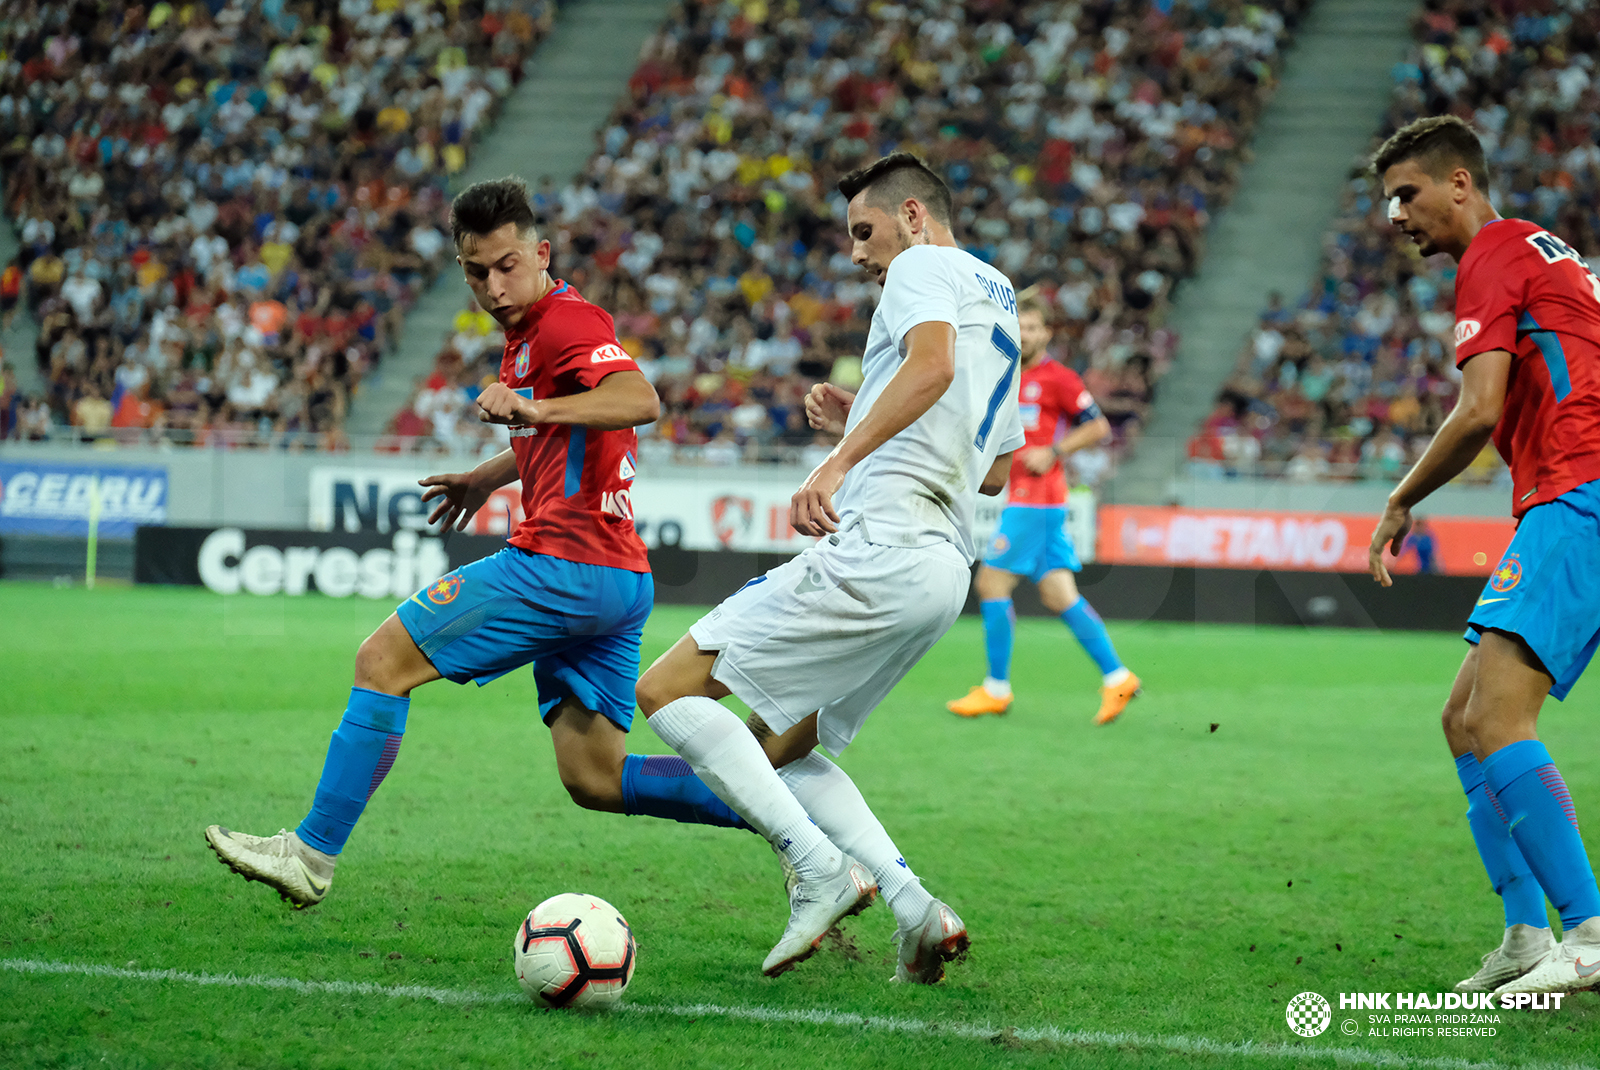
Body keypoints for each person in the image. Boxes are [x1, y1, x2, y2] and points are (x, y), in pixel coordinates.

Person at [206, 177, 756, 907]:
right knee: (595, 778)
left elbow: (640, 400)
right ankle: (794, 825)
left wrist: (532, 405)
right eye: (475, 272)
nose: (492, 287)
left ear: (541, 253)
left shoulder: (565, 323)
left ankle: (310, 854)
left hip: (562, 567)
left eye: (505, 266)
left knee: (381, 661)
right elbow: (574, 428)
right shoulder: (530, 332)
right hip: (618, 579)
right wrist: (490, 476)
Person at [634, 152, 1024, 983]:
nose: (857, 253)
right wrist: (864, 415)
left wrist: (836, 462)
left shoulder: (921, 265)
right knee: (783, 745)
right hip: (942, 570)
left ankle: (817, 872)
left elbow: (931, 368)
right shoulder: (1000, 294)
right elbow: (995, 469)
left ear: (914, 215)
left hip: (882, 544)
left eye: (864, 231)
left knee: (665, 692)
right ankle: (913, 904)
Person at [1369, 115, 1600, 996]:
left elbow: (1478, 408)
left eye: (1408, 193)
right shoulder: (1548, 252)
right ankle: (1525, 932)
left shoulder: (1495, 253)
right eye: (1389, 199)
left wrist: (1401, 500)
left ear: (1459, 181)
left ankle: (1586, 928)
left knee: (1500, 720)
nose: (1396, 214)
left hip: (1576, 496)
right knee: (1462, 718)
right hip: (1566, 496)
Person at [945, 297, 1139, 724]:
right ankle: (1118, 677)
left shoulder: (1059, 378)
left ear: (1046, 333)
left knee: (991, 584)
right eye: (1020, 327)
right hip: (1037, 502)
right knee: (1058, 594)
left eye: (1033, 327)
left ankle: (996, 688)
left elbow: (1098, 425)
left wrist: (1054, 451)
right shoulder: (1005, 374)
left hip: (1037, 499)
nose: (1026, 334)